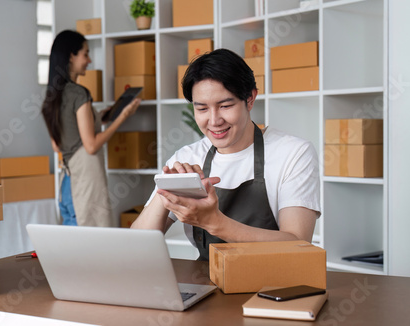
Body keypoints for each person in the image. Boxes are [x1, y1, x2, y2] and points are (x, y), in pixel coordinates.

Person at [131, 49, 320, 260]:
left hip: (272, 285)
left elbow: (299, 245)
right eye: (202, 109)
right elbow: (137, 246)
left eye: (225, 106)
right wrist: (165, 190)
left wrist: (214, 223)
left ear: (250, 99)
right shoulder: (188, 157)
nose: (214, 120)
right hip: (207, 282)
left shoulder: (293, 153)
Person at [42, 30, 140, 226]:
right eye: (85, 54)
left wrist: (101, 115)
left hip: (67, 184)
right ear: (72, 55)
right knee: (91, 243)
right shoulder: (79, 93)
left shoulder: (52, 96)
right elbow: (91, 146)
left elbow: (57, 145)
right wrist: (122, 117)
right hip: (85, 181)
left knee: (72, 244)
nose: (89, 60)